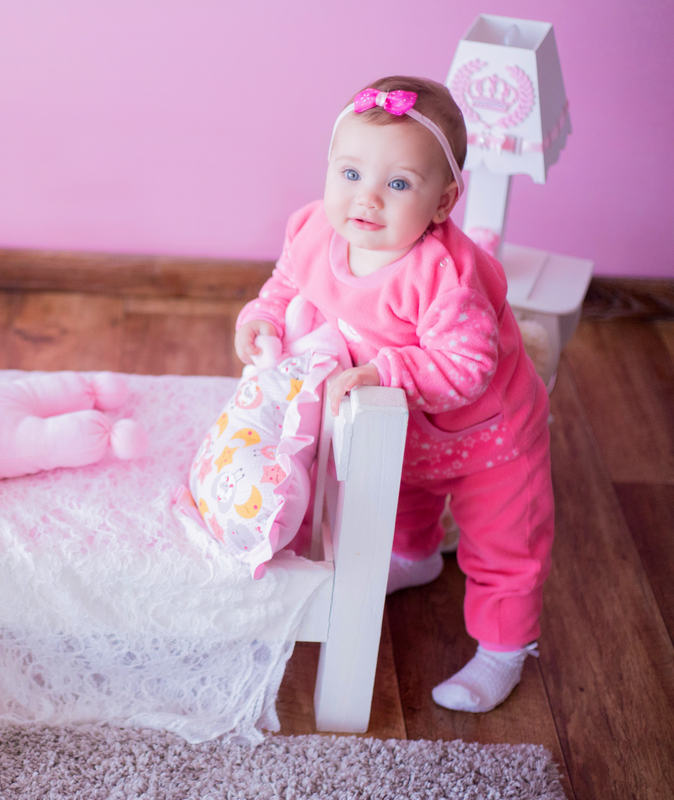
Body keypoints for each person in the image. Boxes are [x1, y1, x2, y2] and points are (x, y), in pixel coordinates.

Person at [234, 76, 552, 713]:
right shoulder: (313, 234)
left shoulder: (442, 276)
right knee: (401, 499)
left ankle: (502, 649)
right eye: (350, 172)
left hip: (488, 436)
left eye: (399, 184)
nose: (367, 199)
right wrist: (261, 321)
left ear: (443, 202)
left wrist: (386, 371)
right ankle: (416, 556)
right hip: (400, 427)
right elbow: (283, 288)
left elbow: (465, 367)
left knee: (503, 542)